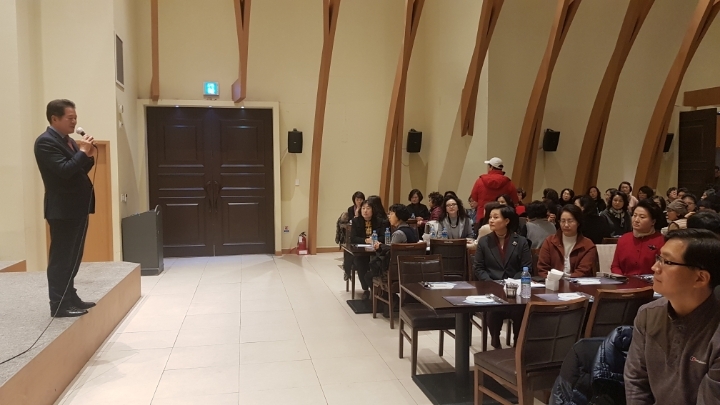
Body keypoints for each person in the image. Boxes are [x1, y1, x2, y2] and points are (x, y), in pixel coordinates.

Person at [625, 228, 720, 404]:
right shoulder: (648, 314)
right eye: (658, 258)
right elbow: (636, 382)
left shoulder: (716, 335)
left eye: (667, 262)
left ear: (700, 278)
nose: (655, 267)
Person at [34, 99, 97, 317]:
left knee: (74, 256)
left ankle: (70, 296)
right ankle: (59, 304)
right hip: (62, 209)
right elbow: (64, 170)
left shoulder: (68, 141)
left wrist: (87, 154)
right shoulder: (45, 142)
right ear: (54, 118)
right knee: (61, 258)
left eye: (75, 118)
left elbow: (77, 170)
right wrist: (82, 152)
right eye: (70, 118)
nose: (74, 122)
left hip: (77, 207)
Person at [473, 205, 531, 348]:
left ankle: (518, 342)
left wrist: (512, 283)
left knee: (521, 308)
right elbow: (478, 268)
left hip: (514, 289)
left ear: (506, 221)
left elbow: (526, 267)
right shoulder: (484, 241)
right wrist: (491, 283)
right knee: (494, 308)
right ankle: (495, 340)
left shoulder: (521, 241)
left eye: (495, 217)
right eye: (490, 217)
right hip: (491, 287)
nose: (491, 220)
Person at [537, 204, 598, 278]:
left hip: (577, 283)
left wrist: (566, 280)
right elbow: (543, 269)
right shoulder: (549, 241)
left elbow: (583, 271)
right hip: (552, 282)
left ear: (578, 223)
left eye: (570, 221)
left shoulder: (587, 245)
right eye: (563, 221)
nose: (566, 225)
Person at [610, 199, 665, 276]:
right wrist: (622, 279)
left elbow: (663, 269)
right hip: (625, 281)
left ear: (653, 222)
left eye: (642, 217)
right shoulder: (624, 239)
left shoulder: (661, 241)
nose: (636, 220)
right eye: (634, 215)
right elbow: (615, 266)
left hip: (651, 282)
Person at [350, 199, 389, 299]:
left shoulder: (380, 221)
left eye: (368, 208)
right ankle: (365, 289)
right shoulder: (356, 221)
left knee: (378, 262)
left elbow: (384, 237)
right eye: (363, 208)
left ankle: (378, 288)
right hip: (362, 251)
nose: (365, 211)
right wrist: (365, 240)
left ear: (373, 210)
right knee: (360, 262)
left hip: (377, 250)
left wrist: (375, 240)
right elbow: (353, 238)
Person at [469, 157, 519, 223]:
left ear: (491, 167)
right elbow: (515, 201)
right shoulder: (509, 183)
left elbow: (474, 197)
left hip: (483, 216)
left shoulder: (480, 181)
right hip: (502, 218)